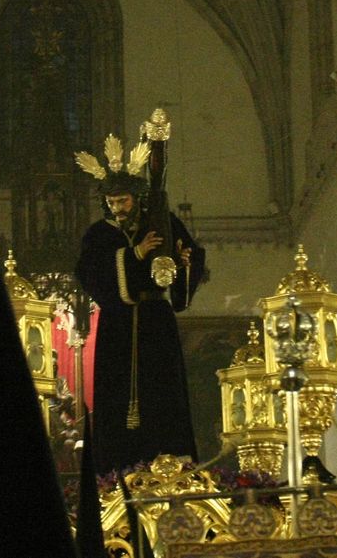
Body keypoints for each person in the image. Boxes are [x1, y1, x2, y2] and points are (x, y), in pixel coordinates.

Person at [73, 137, 206, 478]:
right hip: (118, 325)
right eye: (112, 201)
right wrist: (134, 255)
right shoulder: (99, 234)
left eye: (123, 200)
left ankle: (172, 468)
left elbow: (189, 257)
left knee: (162, 392)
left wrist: (185, 263)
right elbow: (88, 273)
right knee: (116, 401)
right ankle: (116, 474)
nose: (118, 207)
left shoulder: (162, 221)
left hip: (154, 320)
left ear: (137, 198)